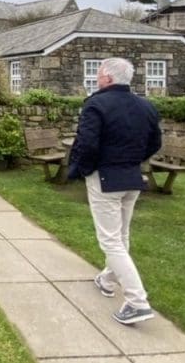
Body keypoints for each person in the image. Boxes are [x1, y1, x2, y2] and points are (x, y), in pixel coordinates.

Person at [68, 57, 162, 325]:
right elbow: (154, 143)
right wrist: (132, 160)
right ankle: (107, 279)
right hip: (132, 176)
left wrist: (83, 170)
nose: (96, 79)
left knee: (110, 240)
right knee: (121, 235)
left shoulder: (96, 104)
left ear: (108, 78)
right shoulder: (145, 106)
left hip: (105, 177)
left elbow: (86, 144)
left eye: (98, 75)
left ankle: (137, 301)